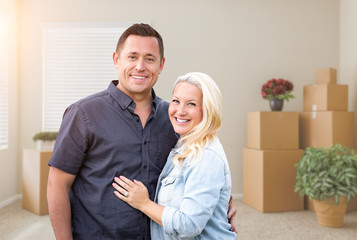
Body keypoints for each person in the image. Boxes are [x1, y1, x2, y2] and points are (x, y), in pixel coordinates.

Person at [47, 23, 236, 240]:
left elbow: (199, 172)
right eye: (132, 56)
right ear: (116, 60)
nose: (140, 66)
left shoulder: (175, 117)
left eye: (149, 58)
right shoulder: (83, 114)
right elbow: (57, 183)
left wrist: (220, 205)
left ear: (161, 64)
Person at [113, 72, 237, 239]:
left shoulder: (205, 156)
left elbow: (189, 225)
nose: (180, 111)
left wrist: (144, 203)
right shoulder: (183, 144)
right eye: (176, 101)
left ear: (208, 109)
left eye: (191, 104)